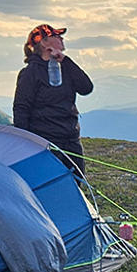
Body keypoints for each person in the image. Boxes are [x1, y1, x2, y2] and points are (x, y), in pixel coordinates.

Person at [13, 24, 94, 175]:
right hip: (46, 141)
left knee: (76, 182)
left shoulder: (64, 67)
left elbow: (86, 88)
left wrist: (66, 61)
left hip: (71, 139)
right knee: (51, 181)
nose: (61, 38)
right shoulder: (30, 72)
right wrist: (24, 143)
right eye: (56, 36)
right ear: (44, 43)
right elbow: (21, 108)